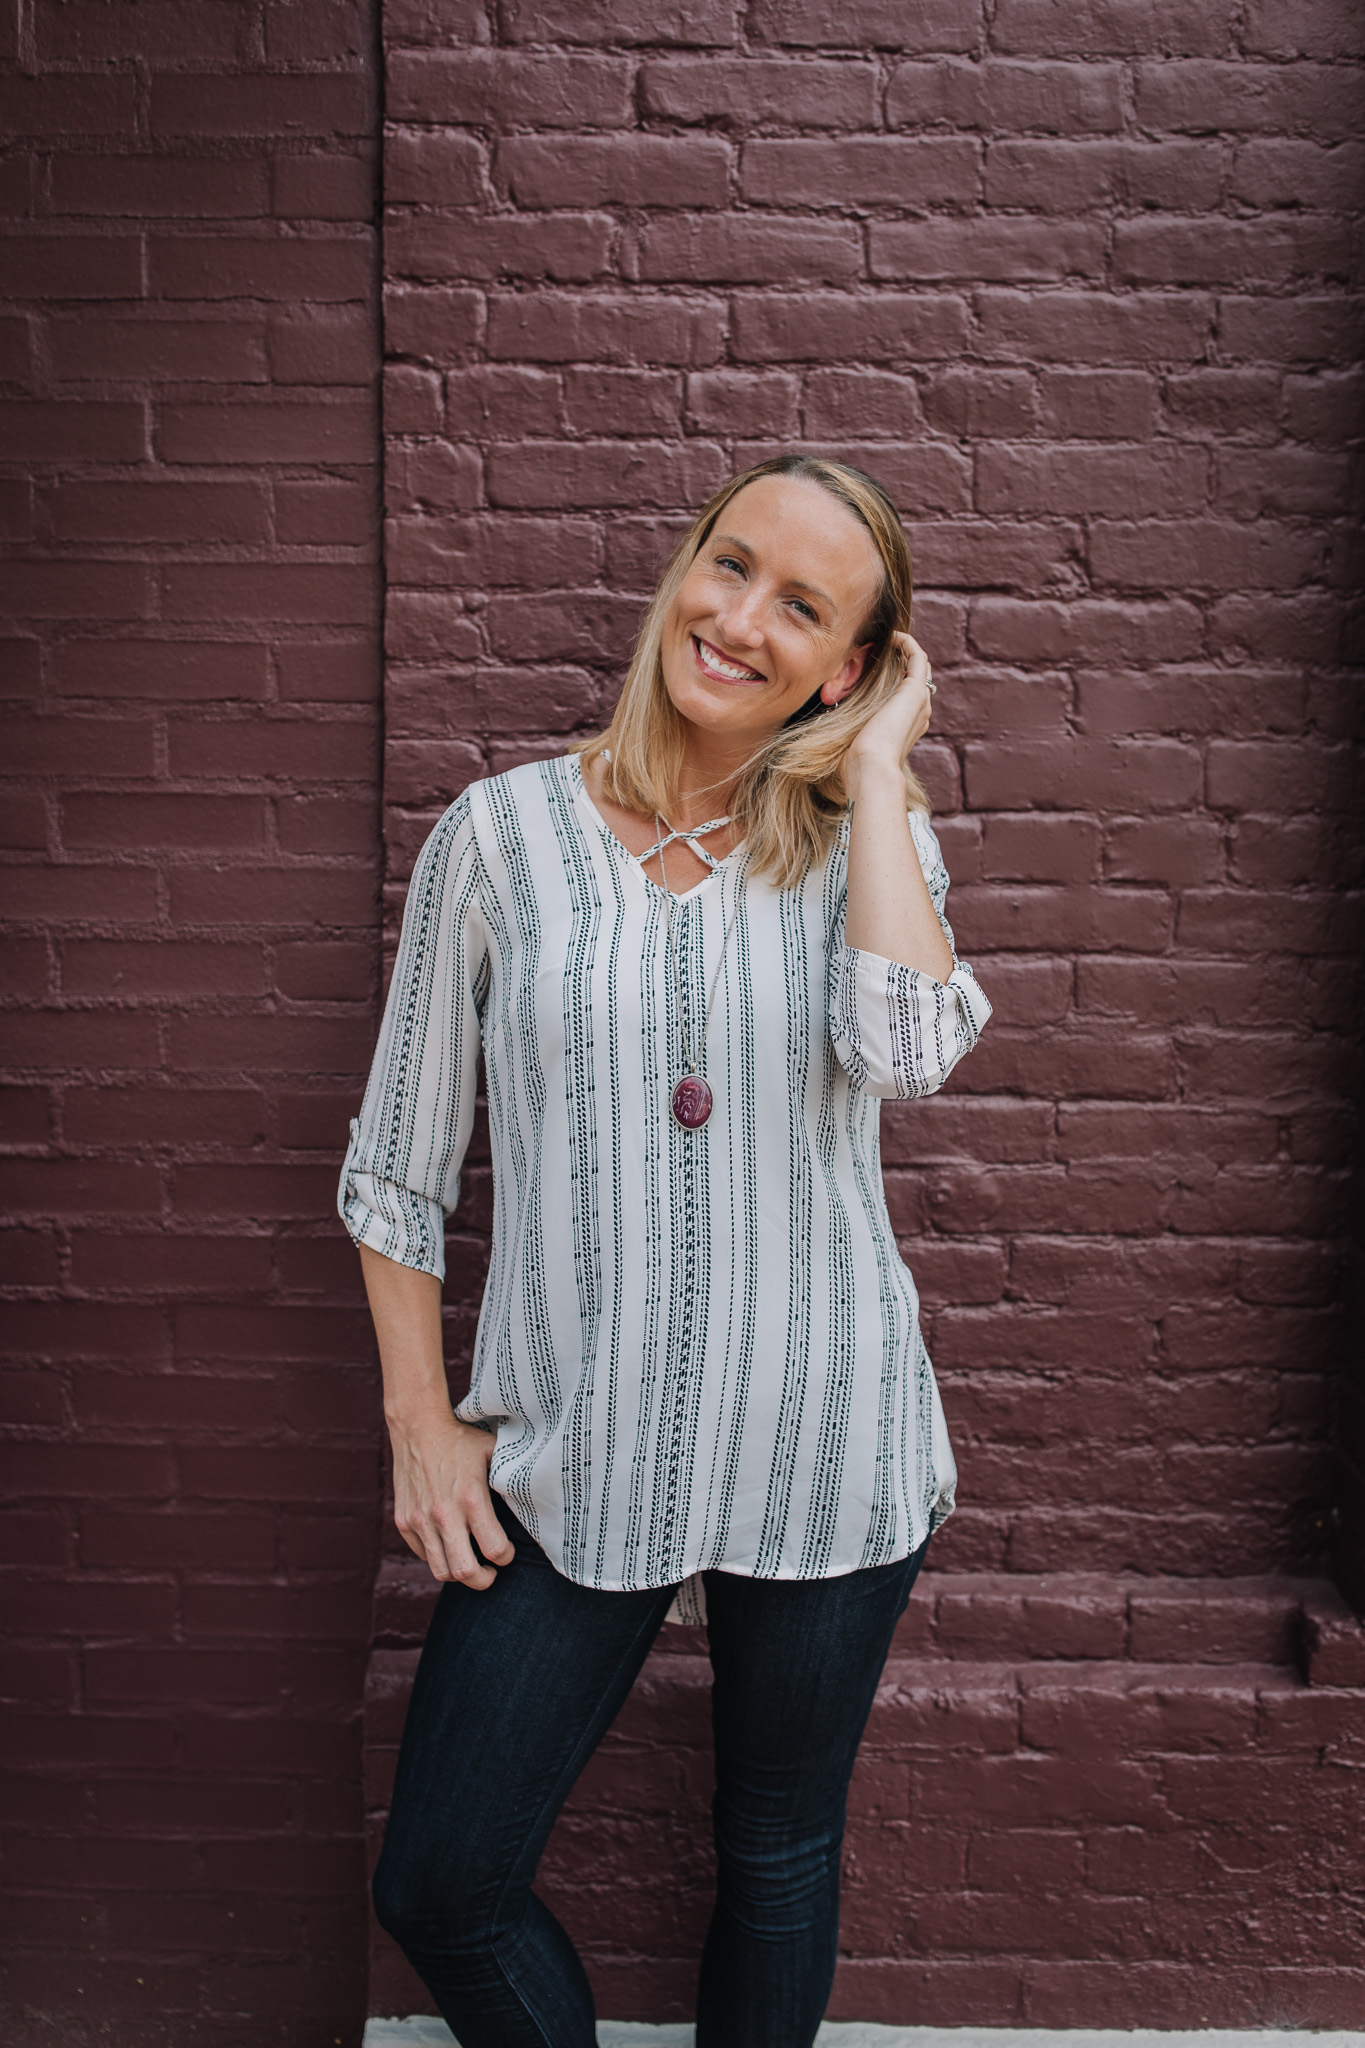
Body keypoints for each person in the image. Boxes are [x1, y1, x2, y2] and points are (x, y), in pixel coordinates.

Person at [339, 455, 991, 2048]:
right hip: (577, 1447)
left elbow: (908, 1056)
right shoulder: (499, 838)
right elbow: (397, 1167)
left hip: (824, 1438)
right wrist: (422, 1427)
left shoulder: (868, 843)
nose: (741, 619)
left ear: (842, 666)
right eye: (731, 564)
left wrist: (882, 768)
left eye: (802, 609)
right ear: (685, 569)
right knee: (441, 1884)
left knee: (776, 1853)